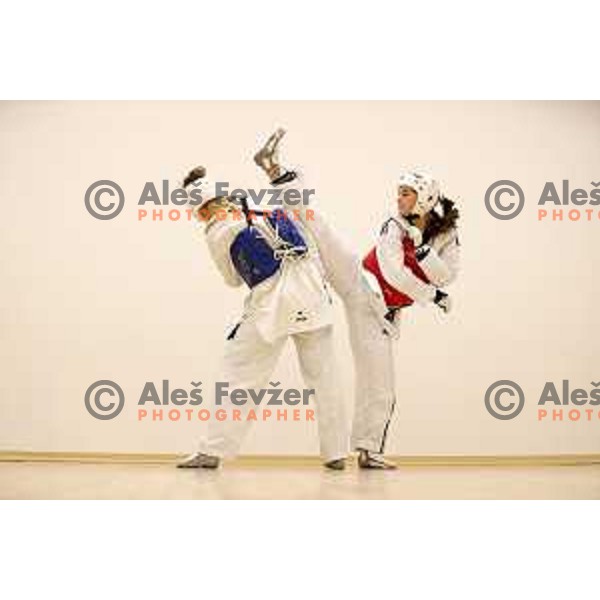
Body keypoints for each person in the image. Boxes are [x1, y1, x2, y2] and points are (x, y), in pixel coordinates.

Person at [253, 129, 460, 469]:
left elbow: (449, 272)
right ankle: (274, 170)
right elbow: (394, 273)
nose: (399, 199)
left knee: (380, 385)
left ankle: (368, 450)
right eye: (399, 193)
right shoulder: (393, 225)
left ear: (424, 198)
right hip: (358, 281)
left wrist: (424, 255)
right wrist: (433, 293)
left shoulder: (447, 235)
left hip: (377, 315)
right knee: (318, 225)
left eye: (407, 194)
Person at [176, 162, 348, 470]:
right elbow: (305, 239)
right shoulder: (259, 201)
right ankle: (336, 453)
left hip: (271, 307)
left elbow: (231, 279)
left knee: (238, 372)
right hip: (312, 293)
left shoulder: (217, 230)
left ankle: (211, 451)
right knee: (325, 378)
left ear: (200, 208)